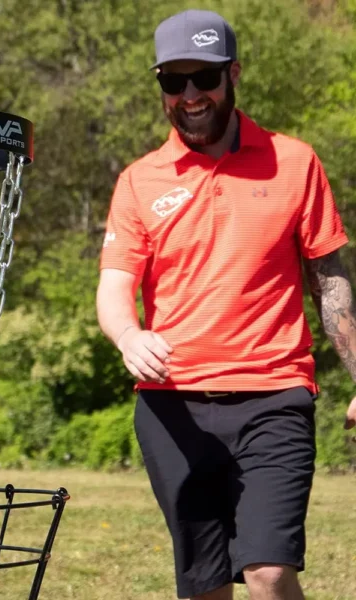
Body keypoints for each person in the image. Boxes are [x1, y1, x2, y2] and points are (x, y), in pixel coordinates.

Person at [96, 8, 356, 600]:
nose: (190, 95)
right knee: (206, 585)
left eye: (204, 78)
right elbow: (115, 286)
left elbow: (330, 279)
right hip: (172, 410)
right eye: (173, 81)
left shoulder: (294, 162)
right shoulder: (141, 180)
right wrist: (129, 337)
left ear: (233, 74)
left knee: (267, 569)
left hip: (275, 395)